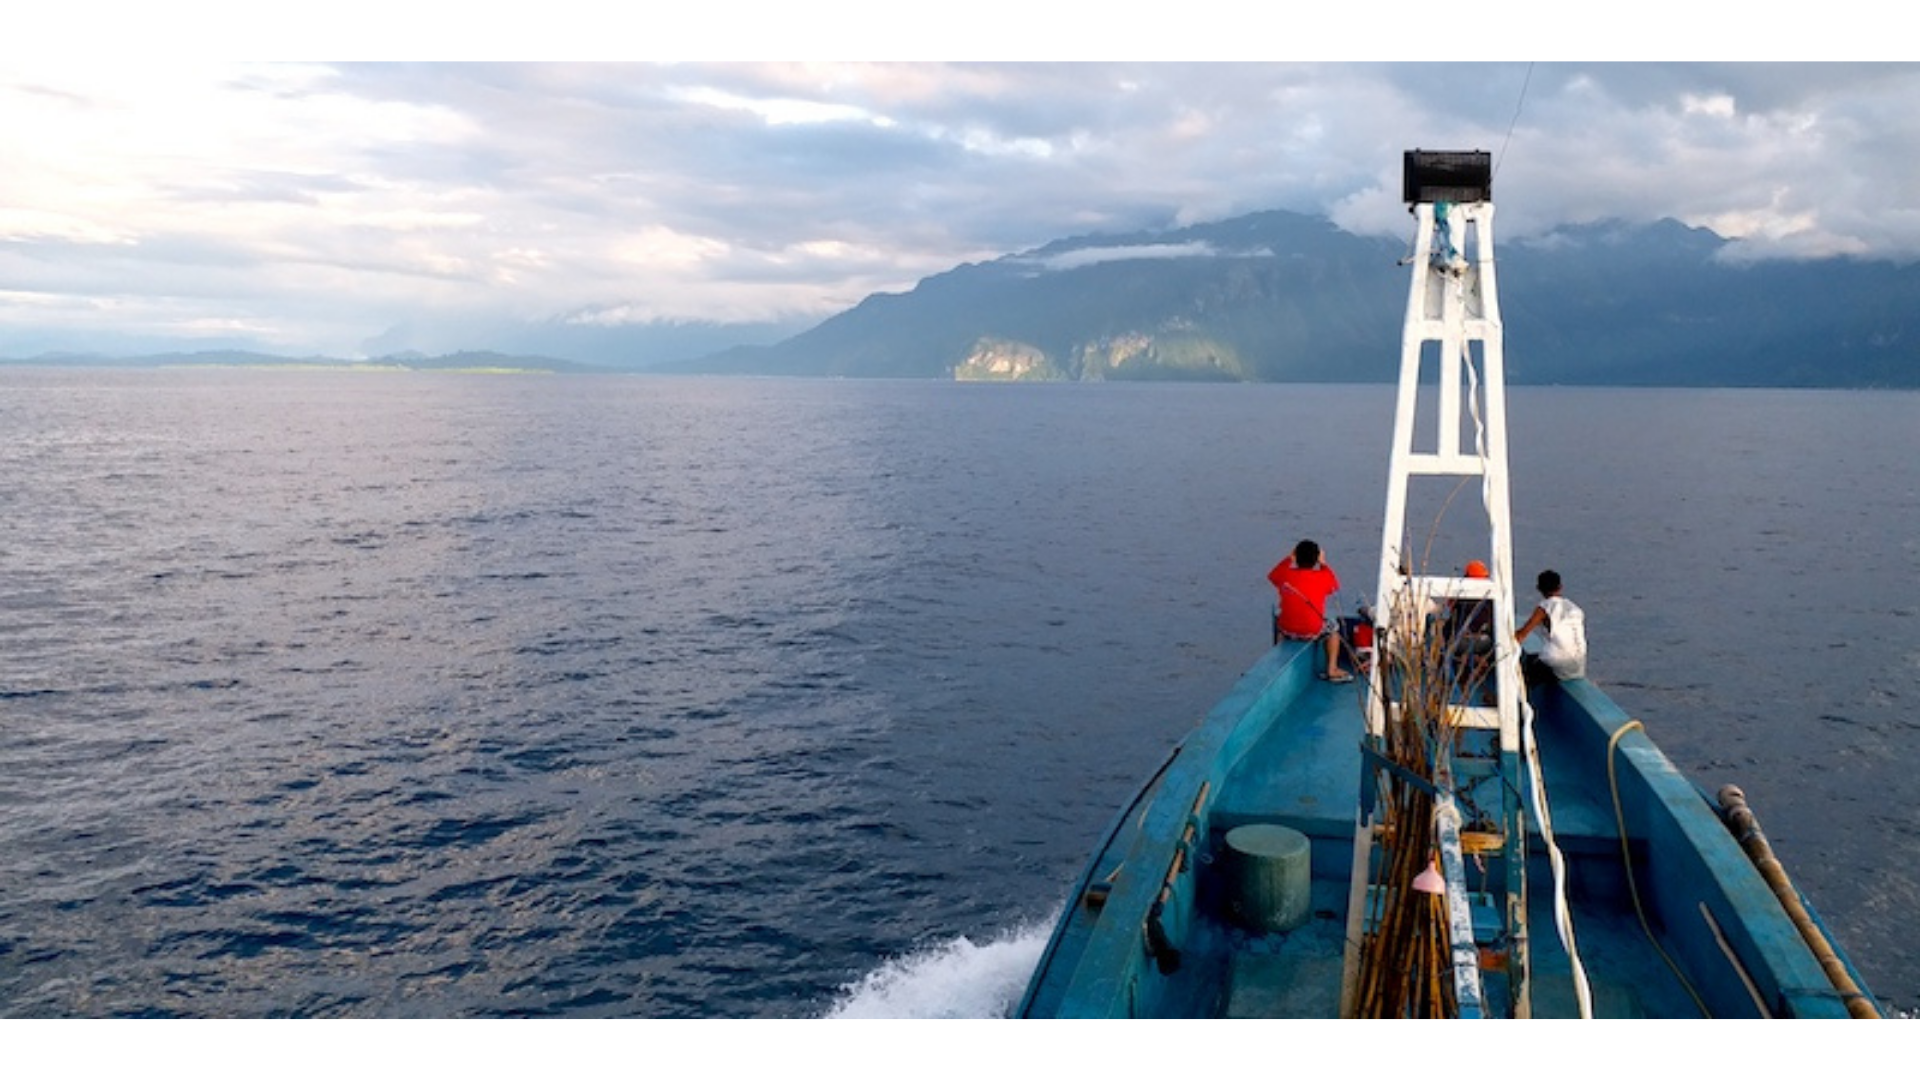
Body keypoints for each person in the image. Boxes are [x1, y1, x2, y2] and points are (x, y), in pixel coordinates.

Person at [1268, 539, 1353, 683]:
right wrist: (1323, 564)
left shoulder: (1285, 575)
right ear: (1316, 559)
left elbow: (1272, 576)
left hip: (1287, 630)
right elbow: (1335, 585)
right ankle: (1332, 668)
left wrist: (1289, 558)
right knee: (1333, 629)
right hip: (1311, 631)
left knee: (1280, 616)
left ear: (1295, 556)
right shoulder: (1322, 576)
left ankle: (1279, 653)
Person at [1515, 569, 1587, 685]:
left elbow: (1522, 635)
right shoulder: (1575, 608)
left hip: (1557, 664)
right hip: (1578, 666)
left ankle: (1516, 698)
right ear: (1560, 587)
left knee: (1524, 665)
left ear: (1539, 588)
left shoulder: (1544, 607)